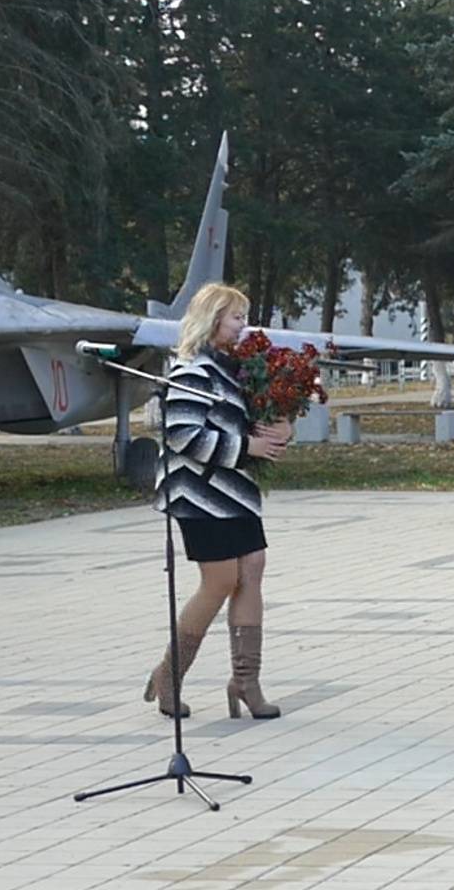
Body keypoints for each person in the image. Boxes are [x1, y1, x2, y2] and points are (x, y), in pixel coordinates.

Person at [148, 283, 291, 720]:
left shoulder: (237, 369)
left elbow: (256, 423)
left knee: (252, 568)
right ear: (212, 319)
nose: (244, 326)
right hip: (197, 491)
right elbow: (182, 435)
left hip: (234, 490)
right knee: (220, 579)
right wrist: (247, 447)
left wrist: (282, 429)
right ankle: (168, 676)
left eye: (244, 318)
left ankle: (245, 682)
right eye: (236, 318)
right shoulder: (192, 369)